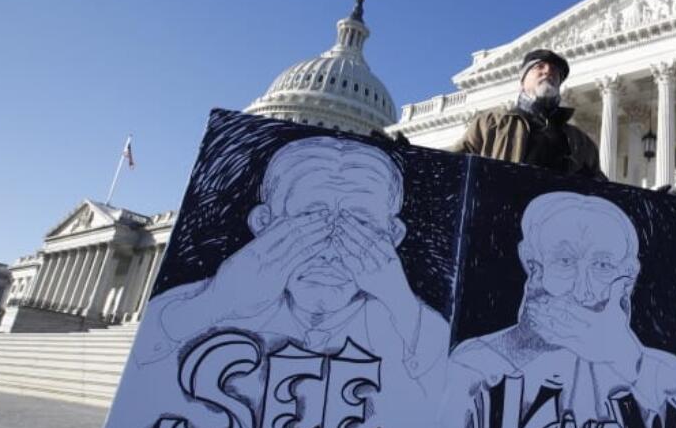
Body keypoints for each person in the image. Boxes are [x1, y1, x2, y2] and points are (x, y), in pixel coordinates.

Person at [135, 135, 448, 399]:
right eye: (309, 222)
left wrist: (401, 303)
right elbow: (144, 356)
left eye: (359, 226)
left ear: (393, 236)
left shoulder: (412, 327)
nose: (330, 253)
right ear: (264, 223)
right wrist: (215, 302)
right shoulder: (198, 306)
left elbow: (448, 387)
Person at [438, 192, 676, 428]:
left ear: (628, 277)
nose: (582, 290)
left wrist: (625, 357)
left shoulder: (662, 372)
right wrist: (524, 346)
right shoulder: (473, 364)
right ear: (533, 265)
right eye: (565, 261)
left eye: (602, 265)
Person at [459, 48, 603, 178]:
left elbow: (602, 193)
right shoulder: (490, 125)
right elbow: (451, 167)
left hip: (556, 206)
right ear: (522, 80)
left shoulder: (580, 141)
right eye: (539, 67)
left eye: (555, 71)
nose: (548, 72)